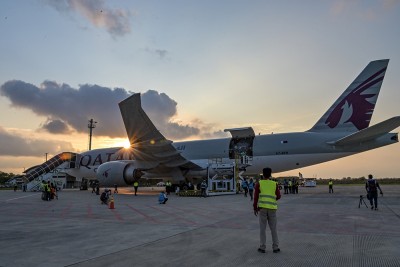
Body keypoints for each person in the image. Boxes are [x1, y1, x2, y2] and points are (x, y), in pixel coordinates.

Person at [253, 167, 281, 254]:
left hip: (262, 209)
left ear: (263, 174)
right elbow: (279, 196)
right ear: (270, 174)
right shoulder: (274, 184)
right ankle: (275, 248)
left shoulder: (259, 183)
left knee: (262, 229)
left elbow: (256, 197)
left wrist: (255, 208)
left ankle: (262, 247)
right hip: (272, 209)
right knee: (273, 229)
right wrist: (272, 200)